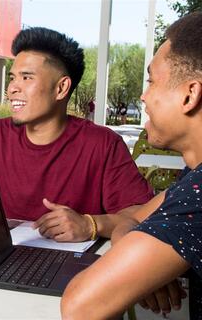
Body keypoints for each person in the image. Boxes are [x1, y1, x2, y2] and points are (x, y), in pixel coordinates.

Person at [0, 27, 153, 243]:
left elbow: (139, 215)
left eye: (26, 78)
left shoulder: (103, 144)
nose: (13, 88)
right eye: (12, 78)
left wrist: (90, 224)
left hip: (68, 268)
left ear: (61, 88)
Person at [61, 12, 202, 319]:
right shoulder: (195, 178)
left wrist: (134, 248)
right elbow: (132, 216)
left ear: (190, 95)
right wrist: (135, 249)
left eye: (151, 80)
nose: (143, 95)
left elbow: (80, 306)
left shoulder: (199, 196)